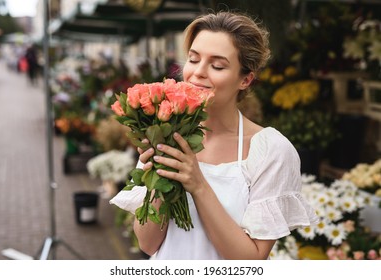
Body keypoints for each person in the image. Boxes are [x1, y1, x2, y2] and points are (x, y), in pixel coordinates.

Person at [110, 11, 318, 260]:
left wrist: (198, 185)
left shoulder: (271, 151)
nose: (198, 72)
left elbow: (250, 261)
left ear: (246, 79)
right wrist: (157, 175)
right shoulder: (165, 132)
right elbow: (147, 243)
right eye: (193, 59)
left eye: (217, 65)